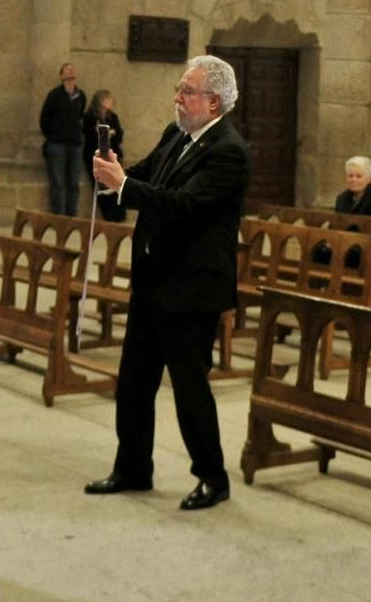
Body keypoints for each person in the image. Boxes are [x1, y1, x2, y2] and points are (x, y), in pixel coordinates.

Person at [85, 55, 251, 511]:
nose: (177, 98)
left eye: (187, 91)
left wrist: (124, 186)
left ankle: (213, 478)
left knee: (189, 386)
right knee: (134, 382)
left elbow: (182, 204)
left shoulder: (228, 152)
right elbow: (146, 174)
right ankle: (133, 467)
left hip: (191, 287)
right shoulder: (176, 134)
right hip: (153, 279)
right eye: (179, 89)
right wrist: (113, 173)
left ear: (214, 102)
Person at [39, 62, 86, 216]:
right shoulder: (55, 95)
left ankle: (72, 217)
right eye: (67, 70)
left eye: (72, 70)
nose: (71, 72)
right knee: (58, 183)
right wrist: (53, 136)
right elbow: (45, 119)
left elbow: (80, 116)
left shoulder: (81, 96)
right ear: (61, 76)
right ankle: (59, 217)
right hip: (57, 144)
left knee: (74, 183)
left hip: (75, 144)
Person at [81, 90, 126, 222]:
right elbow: (92, 136)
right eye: (108, 99)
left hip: (113, 155)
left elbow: (119, 134)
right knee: (103, 186)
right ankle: (109, 216)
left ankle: (119, 215)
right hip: (97, 155)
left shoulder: (112, 116)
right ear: (101, 101)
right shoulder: (90, 117)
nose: (111, 102)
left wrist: (109, 134)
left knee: (116, 186)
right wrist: (107, 134)